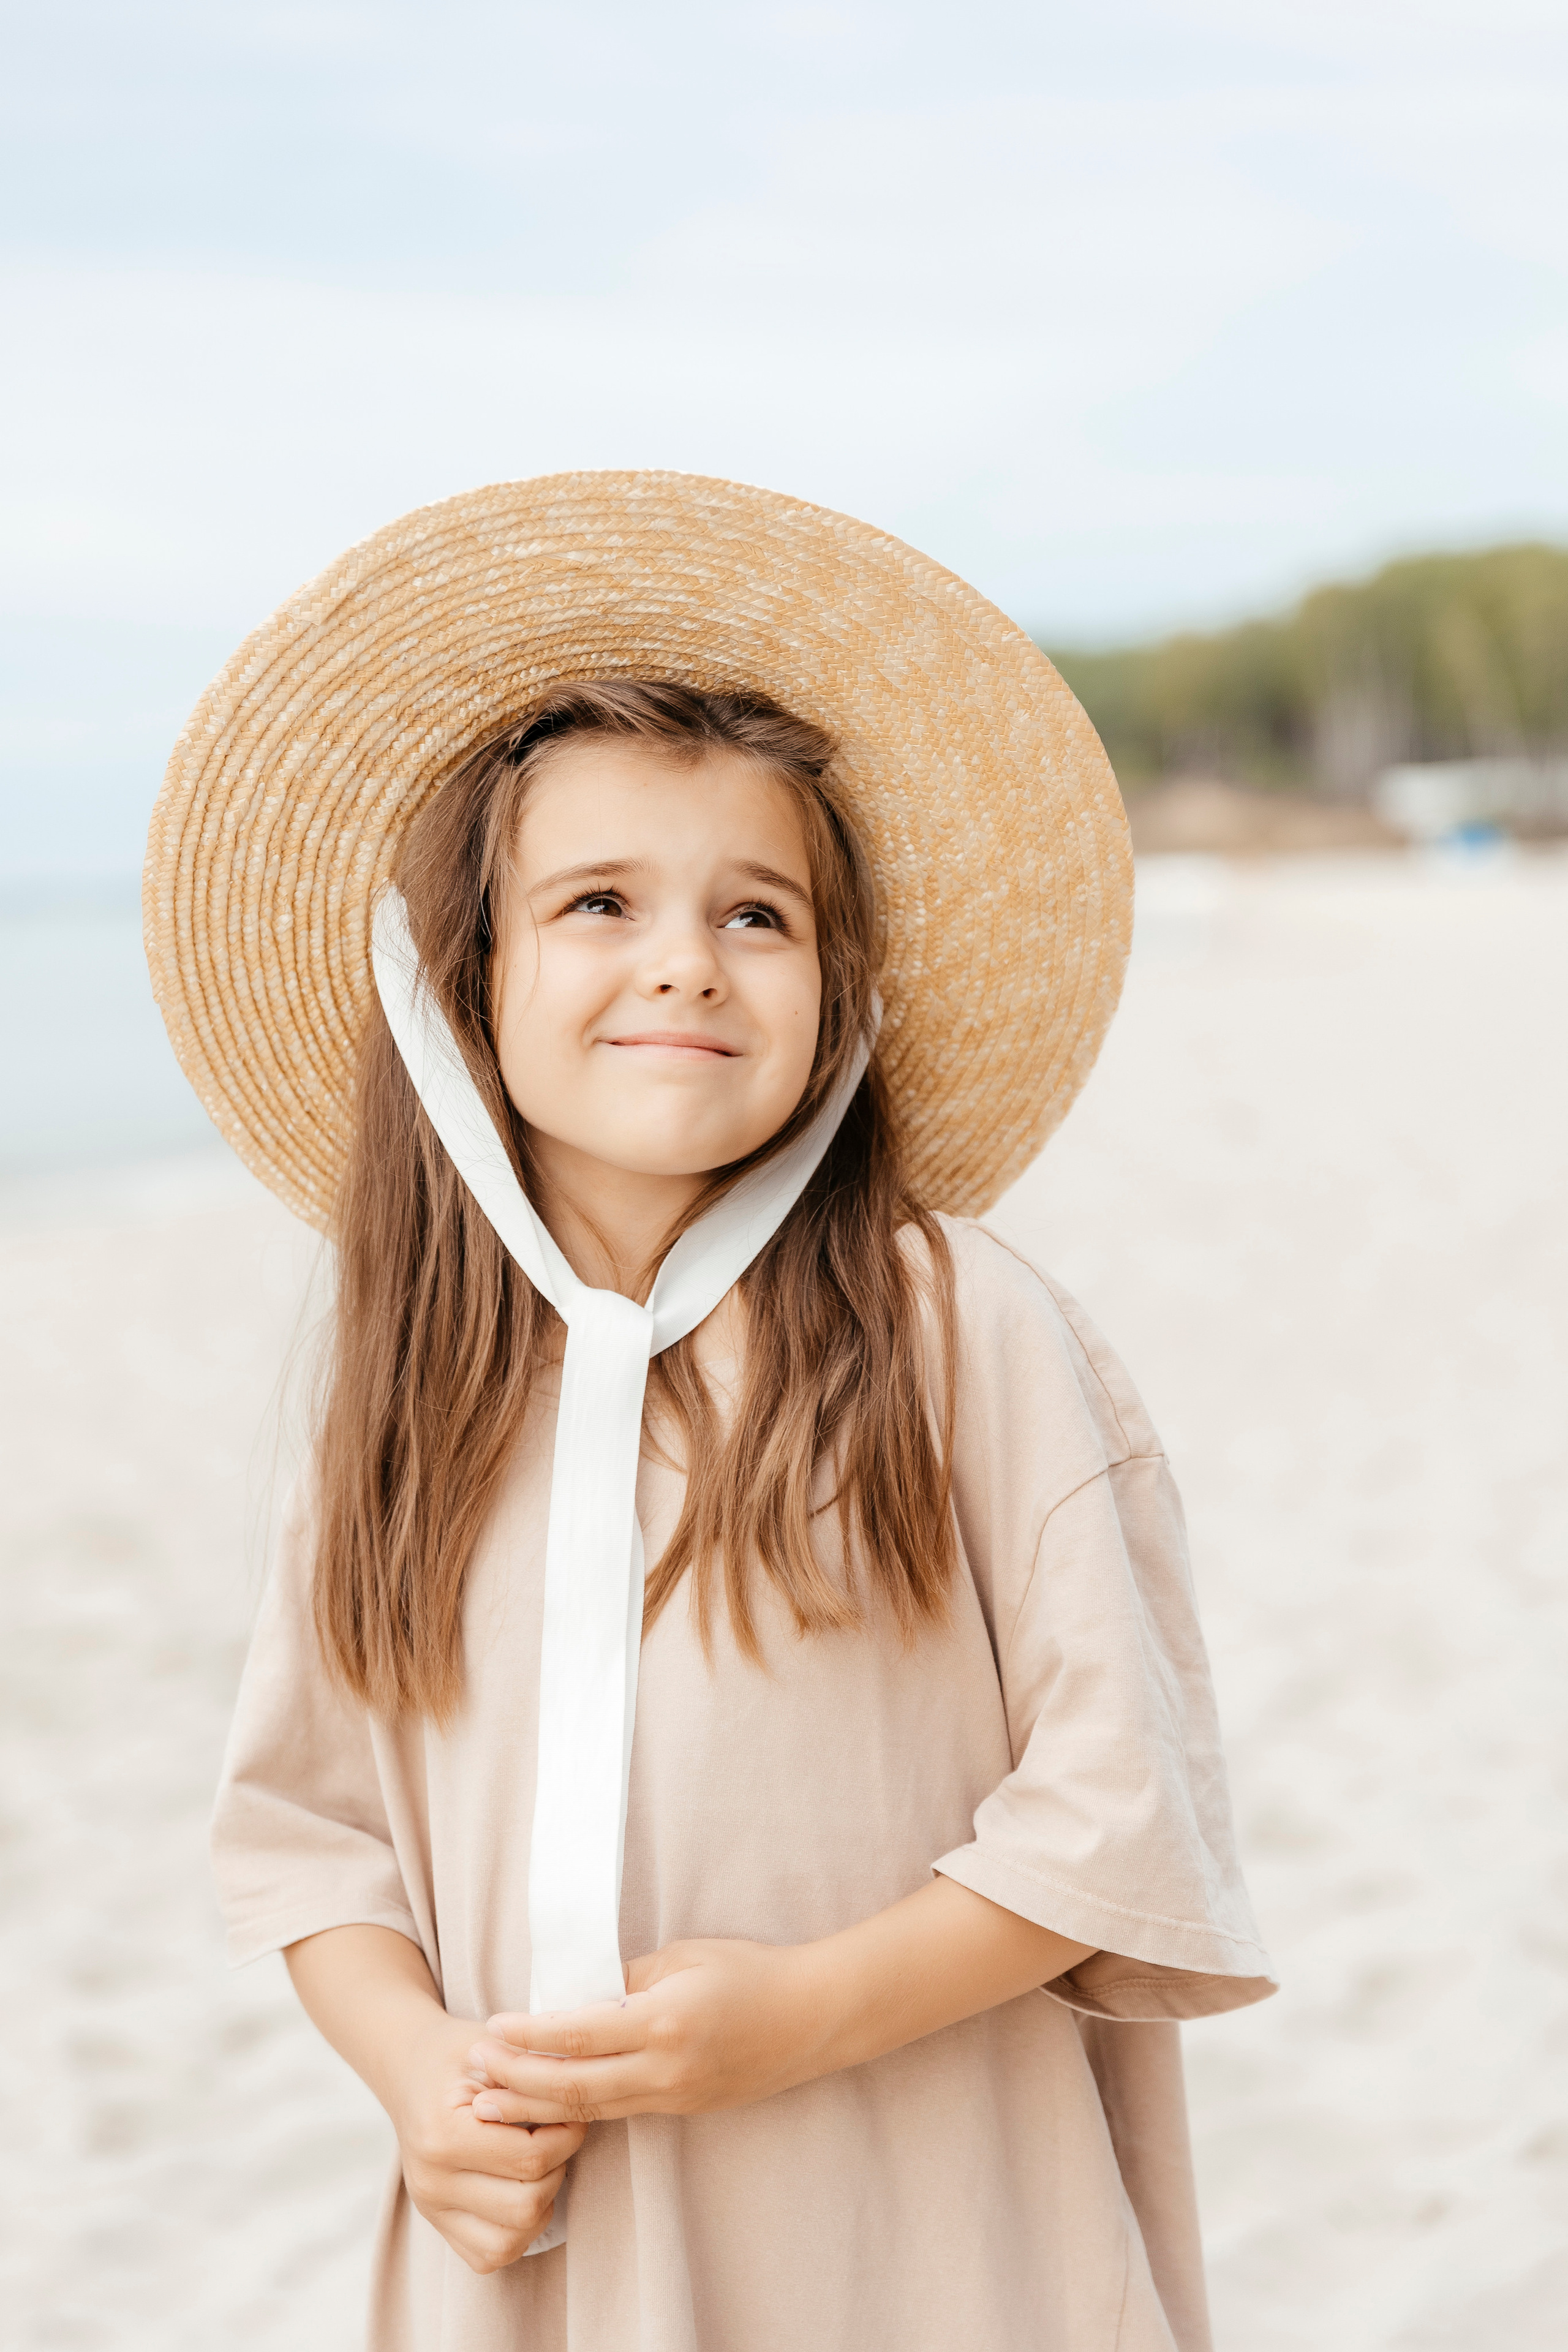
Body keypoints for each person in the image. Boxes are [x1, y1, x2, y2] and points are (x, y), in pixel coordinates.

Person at [145, 472, 1274, 2352]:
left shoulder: (957, 1327)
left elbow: (1113, 1811)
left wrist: (807, 2014)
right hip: (548, 2244)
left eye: (757, 914)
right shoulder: (408, 1377)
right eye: (598, 902)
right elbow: (308, 1837)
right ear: (465, 978)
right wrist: (420, 2079)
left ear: (837, 996)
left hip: (913, 2207)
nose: (682, 958)